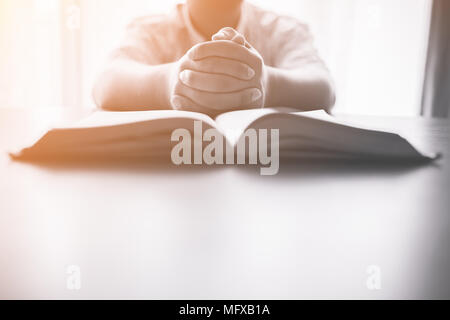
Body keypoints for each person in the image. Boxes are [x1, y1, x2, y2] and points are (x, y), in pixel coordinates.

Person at [93, 0, 335, 116]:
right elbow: (107, 81)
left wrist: (265, 84)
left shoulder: (282, 29)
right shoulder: (152, 30)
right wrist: (169, 83)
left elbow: (322, 86)